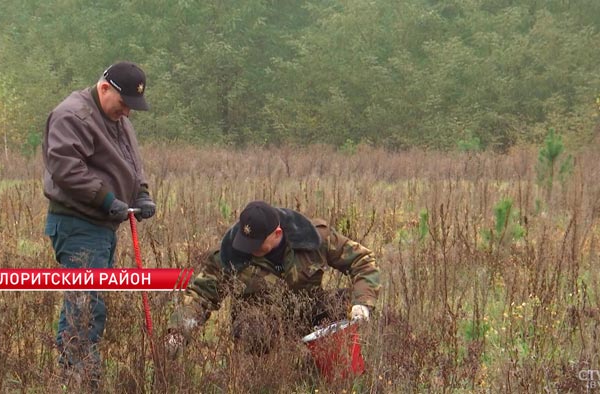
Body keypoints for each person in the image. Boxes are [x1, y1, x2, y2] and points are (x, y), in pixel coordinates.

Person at [42, 61, 156, 386]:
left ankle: (84, 374)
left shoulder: (118, 118)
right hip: (77, 225)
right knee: (84, 304)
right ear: (105, 88)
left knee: (90, 300)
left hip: (103, 226)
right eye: (124, 104)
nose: (128, 113)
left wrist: (142, 193)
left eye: (132, 108)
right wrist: (108, 200)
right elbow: (67, 169)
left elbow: (132, 161)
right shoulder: (71, 115)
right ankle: (79, 379)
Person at [166, 200, 380, 357]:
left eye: (258, 243)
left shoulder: (314, 238)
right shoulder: (229, 254)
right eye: (247, 242)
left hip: (308, 312)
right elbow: (201, 296)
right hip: (258, 323)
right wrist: (177, 332)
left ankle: (329, 366)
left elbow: (362, 260)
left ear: (277, 233)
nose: (250, 249)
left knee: (345, 304)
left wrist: (362, 304)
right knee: (253, 328)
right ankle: (269, 376)